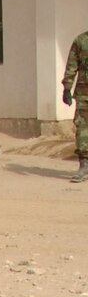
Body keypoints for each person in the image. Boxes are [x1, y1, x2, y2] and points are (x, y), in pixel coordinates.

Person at [61, 25, 88, 184]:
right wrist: (67, 88)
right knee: (83, 129)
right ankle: (84, 166)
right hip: (84, 94)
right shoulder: (81, 40)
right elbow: (72, 65)